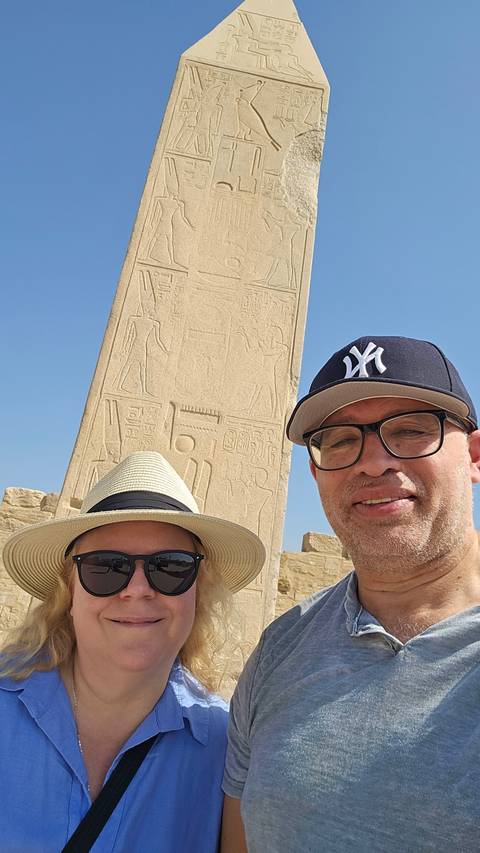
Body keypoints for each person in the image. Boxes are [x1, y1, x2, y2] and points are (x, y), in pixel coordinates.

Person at [221, 335, 480, 853]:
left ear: (474, 457)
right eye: (340, 440)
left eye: (409, 431)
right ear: (317, 472)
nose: (372, 461)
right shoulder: (280, 648)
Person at [0, 450, 264, 851]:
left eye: (171, 567)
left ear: (199, 591)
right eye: (106, 567)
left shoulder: (227, 751)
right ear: (69, 589)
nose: (137, 589)